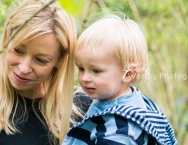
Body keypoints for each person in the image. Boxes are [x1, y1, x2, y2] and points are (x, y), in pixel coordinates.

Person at [0, 0, 91, 145]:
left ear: (60, 60)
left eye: (40, 60)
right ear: (6, 39)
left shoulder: (88, 109)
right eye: (18, 50)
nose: (24, 68)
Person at [63, 14, 177, 145]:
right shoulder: (122, 98)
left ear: (128, 74)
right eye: (81, 68)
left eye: (96, 71)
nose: (84, 78)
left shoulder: (119, 131)